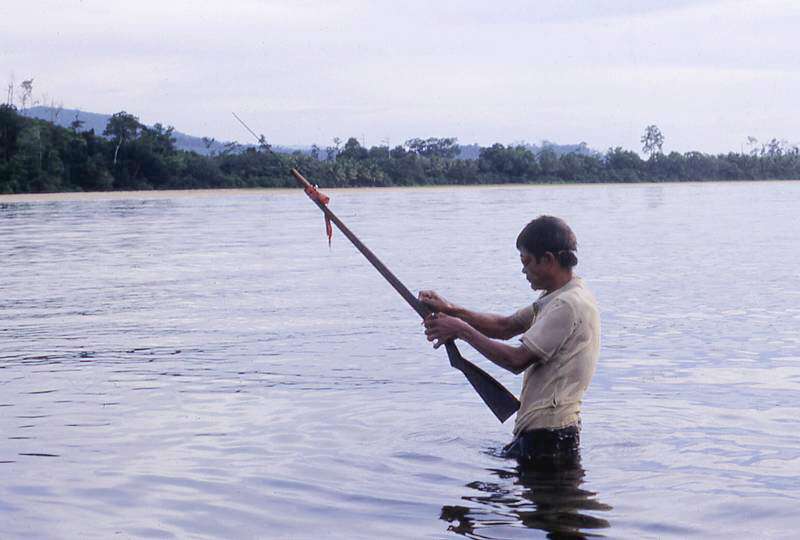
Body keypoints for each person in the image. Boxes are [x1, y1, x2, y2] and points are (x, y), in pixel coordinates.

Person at [420, 215, 600, 465]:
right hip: (547, 432)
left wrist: (461, 330)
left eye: (526, 262)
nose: (523, 270)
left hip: (550, 435)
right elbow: (505, 326)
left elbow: (516, 360)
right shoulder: (560, 295)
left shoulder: (567, 305)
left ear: (548, 259)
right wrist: (450, 310)